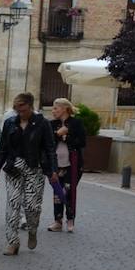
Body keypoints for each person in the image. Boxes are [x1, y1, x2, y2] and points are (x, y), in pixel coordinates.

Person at [0, 91, 58, 256]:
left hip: (34, 167)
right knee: (13, 205)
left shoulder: (42, 123)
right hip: (14, 167)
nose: (19, 111)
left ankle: (32, 229)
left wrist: (53, 170)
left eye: (22, 108)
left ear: (31, 106)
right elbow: (3, 149)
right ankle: (12, 242)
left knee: (32, 207)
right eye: (17, 108)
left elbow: (50, 148)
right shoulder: (10, 123)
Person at [47, 97, 86, 234]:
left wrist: (66, 136)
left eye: (55, 108)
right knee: (57, 192)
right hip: (56, 164)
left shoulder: (76, 123)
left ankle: (70, 219)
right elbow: (48, 141)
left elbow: (82, 142)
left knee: (68, 191)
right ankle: (57, 221)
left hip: (73, 164)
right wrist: (58, 134)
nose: (53, 111)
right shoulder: (52, 124)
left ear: (64, 108)